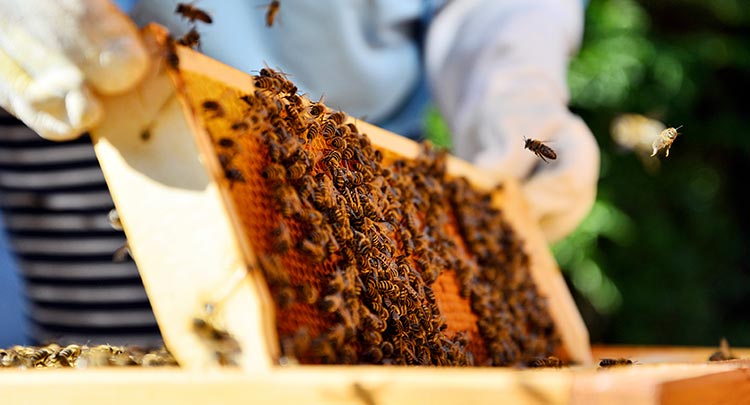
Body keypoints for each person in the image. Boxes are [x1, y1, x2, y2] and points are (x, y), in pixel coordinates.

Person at [0, 0, 599, 345]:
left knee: (365, 342)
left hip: (358, 167)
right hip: (94, 111)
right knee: (102, 366)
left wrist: (512, 79)